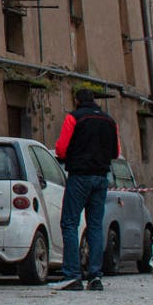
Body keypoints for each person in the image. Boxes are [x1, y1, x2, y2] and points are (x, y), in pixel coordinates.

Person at [52, 85, 119, 291]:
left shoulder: (74, 118)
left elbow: (61, 149)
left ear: (76, 100)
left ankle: (72, 275)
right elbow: (116, 152)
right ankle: (95, 276)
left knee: (70, 223)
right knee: (95, 226)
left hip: (79, 176)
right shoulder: (110, 121)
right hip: (101, 177)